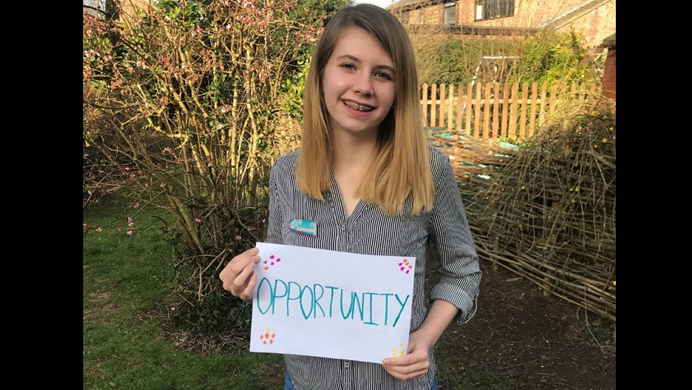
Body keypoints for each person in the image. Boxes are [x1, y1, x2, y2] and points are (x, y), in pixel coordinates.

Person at [219, 3, 482, 390]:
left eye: (383, 74)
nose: (364, 86)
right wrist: (248, 281)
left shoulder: (429, 171)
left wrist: (423, 339)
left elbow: (463, 271)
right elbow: (282, 272)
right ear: (322, 73)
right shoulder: (286, 175)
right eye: (348, 65)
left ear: (399, 89)